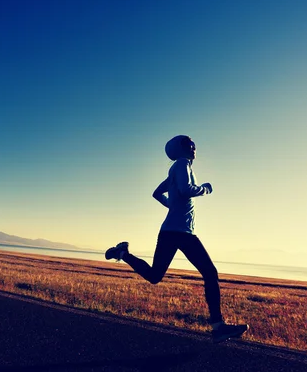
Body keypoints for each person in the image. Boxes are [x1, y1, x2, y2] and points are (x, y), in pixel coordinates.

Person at [105, 135, 248, 343]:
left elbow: (157, 193)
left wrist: (172, 206)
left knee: (155, 276)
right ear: (184, 148)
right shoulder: (182, 165)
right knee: (210, 272)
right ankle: (218, 327)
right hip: (181, 232)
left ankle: (122, 253)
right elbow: (185, 190)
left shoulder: (174, 169)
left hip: (172, 231)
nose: (194, 148)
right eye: (191, 145)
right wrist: (206, 189)